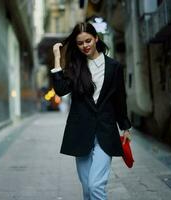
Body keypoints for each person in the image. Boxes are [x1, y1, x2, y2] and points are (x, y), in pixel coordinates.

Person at [50, 22, 132, 200]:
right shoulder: (75, 67)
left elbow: (119, 98)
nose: (85, 46)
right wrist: (57, 58)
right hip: (81, 132)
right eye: (80, 43)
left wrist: (124, 126)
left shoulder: (114, 67)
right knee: (87, 188)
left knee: (96, 186)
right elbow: (61, 90)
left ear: (96, 38)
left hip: (105, 130)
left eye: (88, 40)